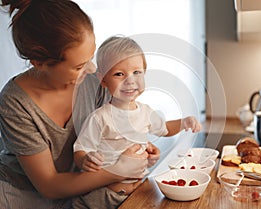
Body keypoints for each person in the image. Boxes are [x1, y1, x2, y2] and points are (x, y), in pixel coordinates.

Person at [0, 1, 160, 208]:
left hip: (80, 192)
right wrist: (117, 171)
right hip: (24, 199)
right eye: (78, 66)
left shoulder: (93, 81)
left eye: (91, 56)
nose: (92, 68)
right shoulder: (15, 104)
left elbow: (110, 130)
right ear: (38, 63)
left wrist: (136, 144)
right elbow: (49, 185)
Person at [72, 36, 202, 209]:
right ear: (103, 80)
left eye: (137, 72)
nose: (130, 80)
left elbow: (164, 128)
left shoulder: (146, 112)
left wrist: (184, 122)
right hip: (106, 196)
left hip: (138, 191)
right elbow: (81, 149)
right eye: (119, 74)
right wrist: (85, 160)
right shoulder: (100, 118)